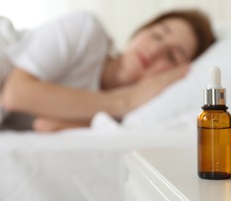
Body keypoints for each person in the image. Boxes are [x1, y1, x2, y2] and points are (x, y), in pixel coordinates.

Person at [0, 9, 216, 132]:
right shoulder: (87, 31)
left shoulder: (125, 118)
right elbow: (15, 94)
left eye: (171, 56)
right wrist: (123, 101)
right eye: (157, 35)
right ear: (140, 32)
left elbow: (46, 125)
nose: (156, 49)